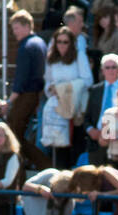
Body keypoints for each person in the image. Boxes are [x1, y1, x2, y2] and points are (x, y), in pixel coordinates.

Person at [0, 11, 48, 174]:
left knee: (13, 136)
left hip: (26, 95)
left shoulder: (26, 47)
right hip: (35, 94)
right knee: (17, 135)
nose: (15, 33)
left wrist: (9, 101)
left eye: (17, 28)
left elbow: (21, 78)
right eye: (13, 29)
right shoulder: (40, 43)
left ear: (28, 26)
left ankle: (42, 166)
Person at [42, 25, 93, 169]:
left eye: (65, 42)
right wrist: (52, 90)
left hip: (76, 108)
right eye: (59, 41)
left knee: (76, 144)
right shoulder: (52, 59)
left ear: (71, 43)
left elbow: (88, 80)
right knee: (59, 147)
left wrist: (65, 88)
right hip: (59, 109)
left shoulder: (79, 56)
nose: (62, 45)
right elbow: (48, 82)